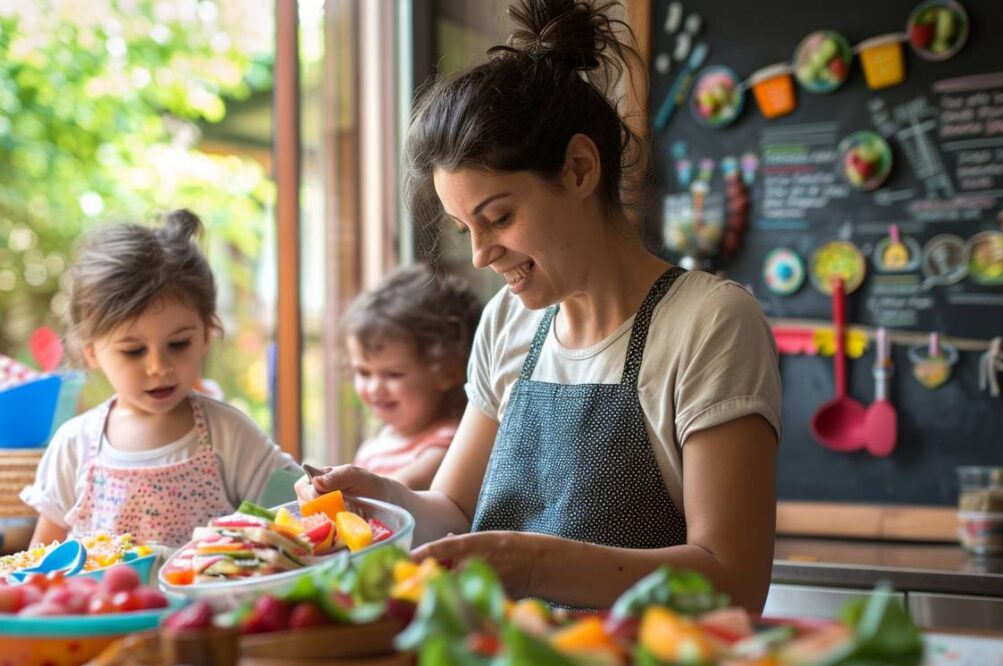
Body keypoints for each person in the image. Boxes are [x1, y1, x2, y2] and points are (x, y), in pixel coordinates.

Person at [298, 0, 781, 612]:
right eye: (462, 228)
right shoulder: (509, 319)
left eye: (498, 217)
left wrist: (533, 564)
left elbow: (732, 580)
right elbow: (452, 513)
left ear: (580, 168)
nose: (479, 255)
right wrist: (382, 502)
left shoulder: (708, 323)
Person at [22, 210, 299, 549]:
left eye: (178, 344)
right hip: (96, 603)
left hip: (206, 604)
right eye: (133, 351)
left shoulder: (228, 436)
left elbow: (298, 509)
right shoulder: (74, 446)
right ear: (91, 351)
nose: (159, 367)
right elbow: (39, 563)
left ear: (207, 334)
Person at [344, 265, 483, 489]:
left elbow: (404, 487)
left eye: (393, 374)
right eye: (363, 372)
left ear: (448, 372)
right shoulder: (375, 446)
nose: (374, 389)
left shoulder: (449, 443)